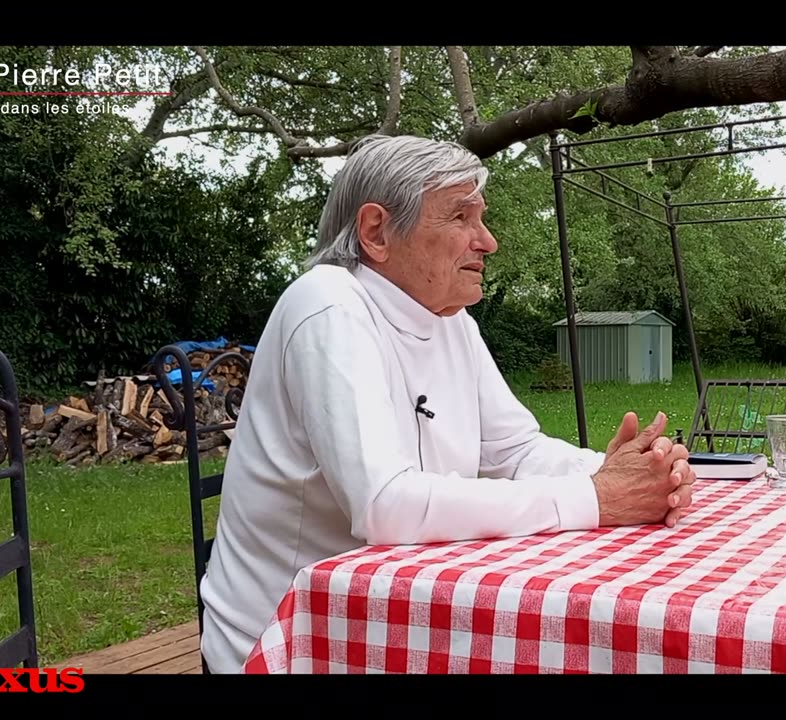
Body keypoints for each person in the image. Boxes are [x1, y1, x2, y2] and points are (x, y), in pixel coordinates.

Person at [197, 133, 697, 674]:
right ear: (376, 231)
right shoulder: (327, 307)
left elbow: (516, 450)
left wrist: (623, 471)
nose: (488, 241)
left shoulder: (450, 319)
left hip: (406, 612)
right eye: (461, 218)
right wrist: (596, 497)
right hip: (294, 639)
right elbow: (385, 505)